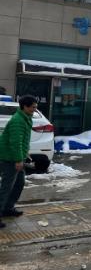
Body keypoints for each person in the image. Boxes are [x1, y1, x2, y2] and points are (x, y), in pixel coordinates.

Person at [0, 95, 37, 228]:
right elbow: (15, 142)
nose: (35, 109)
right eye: (33, 107)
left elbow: (23, 139)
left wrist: (25, 152)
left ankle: (7, 208)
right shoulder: (18, 120)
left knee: (19, 183)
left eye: (35, 107)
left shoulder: (26, 117)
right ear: (24, 107)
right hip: (9, 158)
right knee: (6, 187)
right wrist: (18, 159)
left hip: (16, 156)